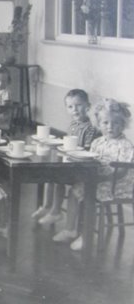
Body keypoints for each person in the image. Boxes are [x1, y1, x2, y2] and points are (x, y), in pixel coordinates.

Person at [53, 98, 134, 250]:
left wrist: (102, 178)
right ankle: (70, 229)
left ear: (123, 125)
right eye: (105, 123)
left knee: (88, 192)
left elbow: (123, 171)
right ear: (99, 124)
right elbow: (92, 160)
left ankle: (86, 236)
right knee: (75, 190)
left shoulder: (125, 145)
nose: (110, 127)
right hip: (98, 179)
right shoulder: (99, 142)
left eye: (115, 123)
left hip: (116, 184)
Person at [32, 89, 100, 225]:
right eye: (70, 106)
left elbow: (86, 151)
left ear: (88, 106)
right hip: (71, 162)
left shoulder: (90, 128)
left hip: (82, 167)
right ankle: (47, 206)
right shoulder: (73, 125)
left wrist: (69, 152)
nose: (75, 109)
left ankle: (56, 211)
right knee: (50, 175)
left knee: (58, 178)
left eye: (79, 105)